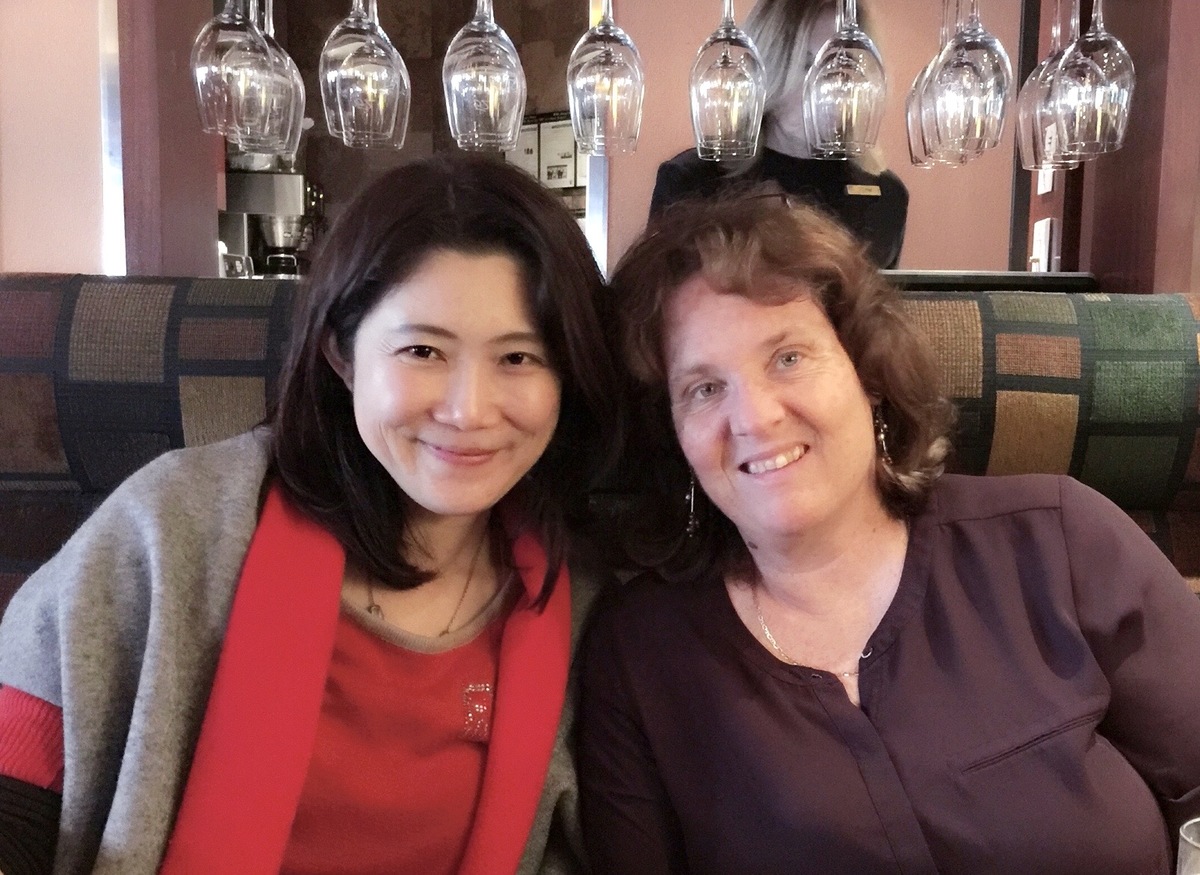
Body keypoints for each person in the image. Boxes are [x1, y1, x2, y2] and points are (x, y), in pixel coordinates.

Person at [0, 152, 620, 874]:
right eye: (423, 350)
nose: (468, 410)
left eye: (518, 358)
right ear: (343, 354)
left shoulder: (581, 606)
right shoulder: (175, 526)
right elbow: (20, 764)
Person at [578, 192, 1200, 873]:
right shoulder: (638, 654)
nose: (753, 417)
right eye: (702, 387)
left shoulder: (1059, 540)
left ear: (867, 373)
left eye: (787, 357)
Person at [650, 0, 909, 268]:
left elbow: (876, 307)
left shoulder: (884, 195)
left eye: (846, 68)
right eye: (807, 65)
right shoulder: (693, 181)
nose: (829, 87)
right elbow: (653, 302)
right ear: (767, 70)